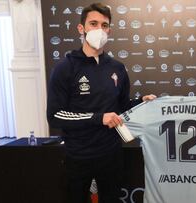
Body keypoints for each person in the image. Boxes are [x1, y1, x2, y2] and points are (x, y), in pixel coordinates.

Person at [46, 3, 155, 203]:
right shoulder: (65, 67)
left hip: (110, 154)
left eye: (104, 25)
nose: (99, 30)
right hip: (77, 156)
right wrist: (98, 118)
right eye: (93, 24)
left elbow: (121, 107)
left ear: (109, 31)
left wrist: (140, 102)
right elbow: (55, 115)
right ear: (82, 28)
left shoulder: (117, 68)